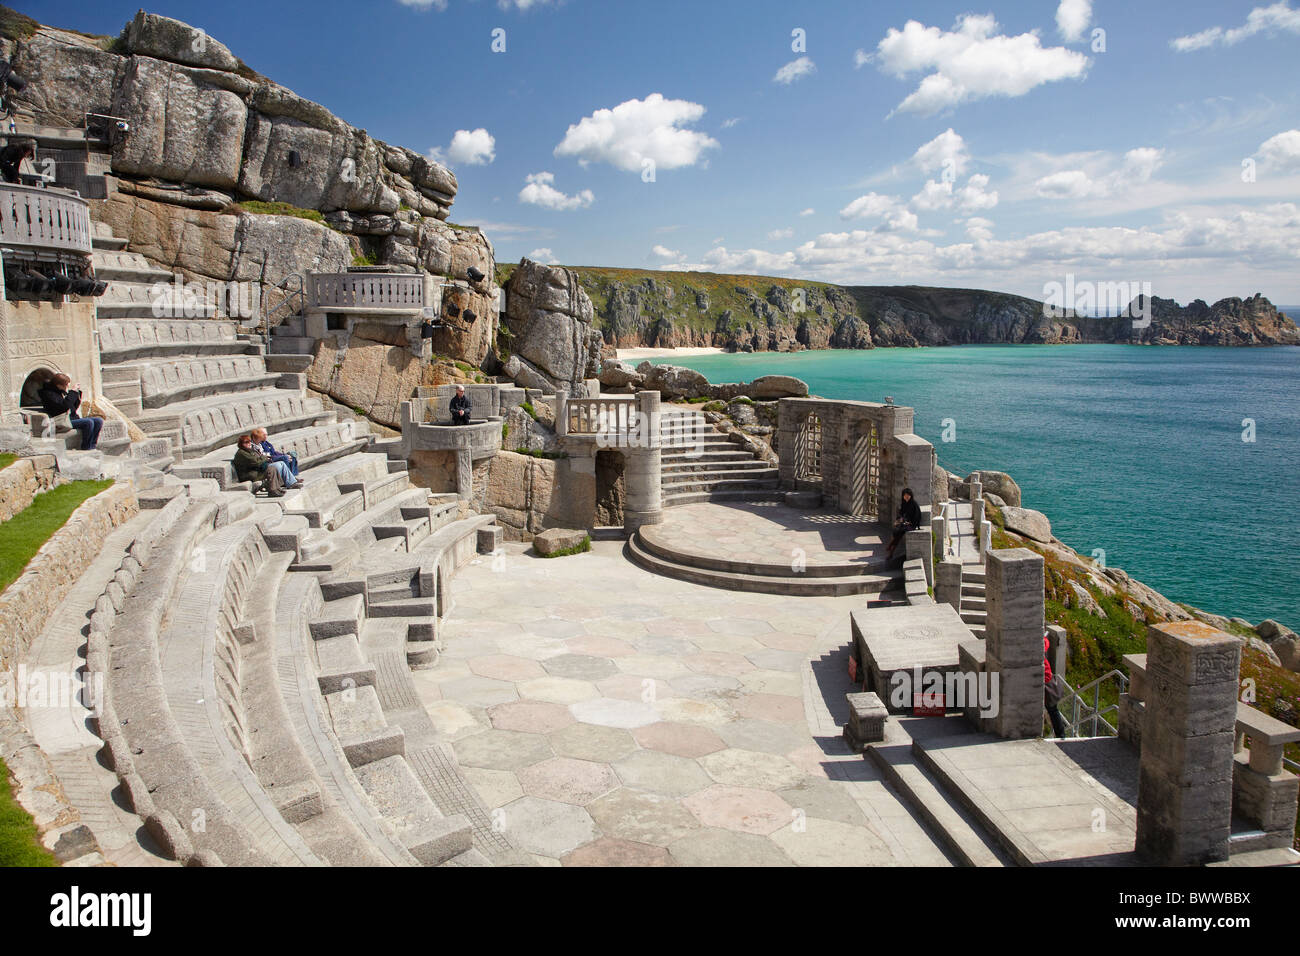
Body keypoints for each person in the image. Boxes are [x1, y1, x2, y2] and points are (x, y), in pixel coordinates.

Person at [37, 373, 103, 450]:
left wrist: (76, 393)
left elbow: (73, 407)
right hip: (61, 421)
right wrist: (72, 393)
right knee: (88, 422)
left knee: (98, 421)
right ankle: (86, 447)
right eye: (66, 385)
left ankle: (92, 445)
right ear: (59, 385)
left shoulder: (60, 391)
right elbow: (65, 407)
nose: (67, 387)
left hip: (71, 418)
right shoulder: (49, 394)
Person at [884, 486, 923, 559]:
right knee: (896, 531)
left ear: (911, 495)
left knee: (898, 532)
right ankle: (891, 552)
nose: (906, 497)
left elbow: (917, 516)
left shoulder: (914, 504)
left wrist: (908, 522)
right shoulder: (904, 503)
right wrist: (898, 521)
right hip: (905, 523)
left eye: (908, 495)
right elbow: (901, 514)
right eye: (905, 495)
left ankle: (890, 548)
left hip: (912, 524)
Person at [1044, 633, 1067, 739]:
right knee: (1053, 709)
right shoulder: (1041, 643)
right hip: (1048, 679)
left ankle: (1060, 734)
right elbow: (1045, 642)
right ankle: (1060, 735)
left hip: (1045, 681)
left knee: (1052, 709)